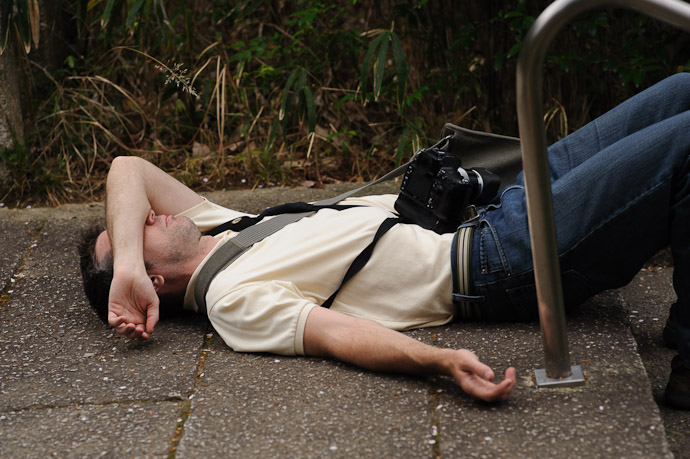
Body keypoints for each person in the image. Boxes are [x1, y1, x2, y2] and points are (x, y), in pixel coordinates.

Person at [79, 73, 690, 408]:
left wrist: (126, 257)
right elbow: (338, 336)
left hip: (495, 198)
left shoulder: (223, 227)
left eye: (137, 222)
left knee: (681, 90)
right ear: (154, 284)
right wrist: (440, 363)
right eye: (133, 234)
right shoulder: (232, 301)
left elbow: (127, 168)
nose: (148, 217)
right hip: (498, 256)